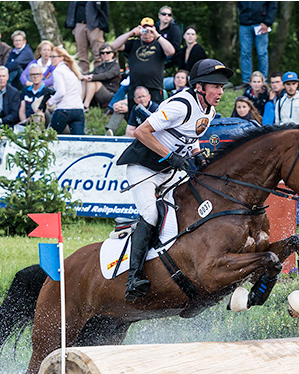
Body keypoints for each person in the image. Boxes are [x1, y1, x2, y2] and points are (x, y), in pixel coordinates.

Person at [116, 58, 231, 300]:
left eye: (221, 87)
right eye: (215, 86)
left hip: (168, 171)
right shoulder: (180, 105)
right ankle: (133, 277)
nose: (220, 92)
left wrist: (197, 155)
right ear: (199, 87)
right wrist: (171, 156)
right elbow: (140, 132)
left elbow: (191, 134)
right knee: (151, 215)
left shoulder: (209, 110)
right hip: (144, 168)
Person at [112, 17, 176, 105]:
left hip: (154, 87)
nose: (147, 32)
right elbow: (114, 46)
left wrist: (157, 35)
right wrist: (131, 33)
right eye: (144, 29)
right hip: (135, 87)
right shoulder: (133, 43)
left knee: (155, 114)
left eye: (149, 29)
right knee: (135, 114)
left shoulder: (159, 43)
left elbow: (171, 52)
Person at [46, 47, 85, 135]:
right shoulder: (73, 71)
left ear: (61, 58)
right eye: (50, 57)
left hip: (64, 110)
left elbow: (61, 92)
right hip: (78, 110)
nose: (51, 59)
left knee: (50, 138)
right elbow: (80, 91)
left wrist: (51, 102)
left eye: (53, 57)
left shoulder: (58, 71)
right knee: (79, 141)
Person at [65, 1, 110, 75]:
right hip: (79, 24)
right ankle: (83, 76)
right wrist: (73, 26)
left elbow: (105, 8)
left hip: (95, 25)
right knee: (81, 55)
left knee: (98, 53)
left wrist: (101, 25)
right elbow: (72, 9)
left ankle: (99, 75)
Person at [238, 2, 276, 86]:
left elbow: (272, 7)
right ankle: (246, 81)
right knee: (245, 53)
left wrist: (267, 22)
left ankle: (263, 81)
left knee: (262, 53)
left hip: (261, 24)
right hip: (245, 25)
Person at [81, 43, 120, 109]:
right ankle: (79, 103)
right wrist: (81, 76)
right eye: (102, 53)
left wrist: (92, 77)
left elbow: (107, 75)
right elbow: (89, 74)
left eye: (108, 52)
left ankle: (85, 106)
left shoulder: (115, 66)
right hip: (98, 93)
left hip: (110, 94)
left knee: (92, 81)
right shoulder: (99, 67)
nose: (105, 54)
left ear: (113, 54)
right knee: (84, 80)